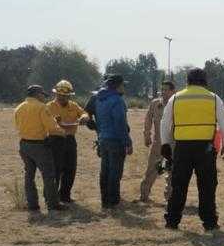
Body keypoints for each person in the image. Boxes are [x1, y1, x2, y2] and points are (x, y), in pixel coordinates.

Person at [161, 67, 224, 231]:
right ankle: (209, 222)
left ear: (187, 81)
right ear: (205, 81)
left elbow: (165, 122)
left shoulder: (176, 98)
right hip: (205, 148)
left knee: (178, 186)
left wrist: (165, 144)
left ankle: (172, 221)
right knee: (207, 187)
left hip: (182, 148)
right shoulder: (214, 98)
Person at [13, 85, 64, 212]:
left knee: (29, 175)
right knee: (48, 175)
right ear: (37, 94)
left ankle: (33, 205)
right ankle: (53, 204)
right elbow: (51, 128)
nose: (44, 97)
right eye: (42, 95)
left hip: (24, 144)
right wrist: (62, 132)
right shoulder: (42, 107)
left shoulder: (19, 108)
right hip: (39, 145)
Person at [92, 75, 133, 208]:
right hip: (115, 140)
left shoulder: (99, 99)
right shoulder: (117, 100)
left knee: (105, 170)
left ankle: (105, 200)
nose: (124, 87)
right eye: (123, 85)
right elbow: (120, 123)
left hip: (103, 138)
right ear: (118, 86)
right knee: (115, 172)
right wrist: (127, 142)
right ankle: (113, 200)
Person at [45, 79, 88, 204]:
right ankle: (52, 198)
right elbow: (46, 122)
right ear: (56, 94)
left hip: (70, 140)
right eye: (60, 95)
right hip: (55, 141)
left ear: (69, 95)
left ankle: (65, 195)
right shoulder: (49, 107)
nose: (62, 98)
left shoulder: (73, 106)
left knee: (70, 169)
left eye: (65, 96)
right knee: (55, 169)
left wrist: (84, 117)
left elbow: (84, 113)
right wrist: (54, 121)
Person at [140, 80, 176, 202]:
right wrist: (146, 135)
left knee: (171, 172)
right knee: (152, 169)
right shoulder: (155, 104)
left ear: (173, 91)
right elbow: (148, 119)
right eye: (163, 90)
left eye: (167, 90)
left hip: (173, 145)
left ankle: (170, 198)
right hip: (158, 144)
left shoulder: (177, 104)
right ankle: (144, 195)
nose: (164, 92)